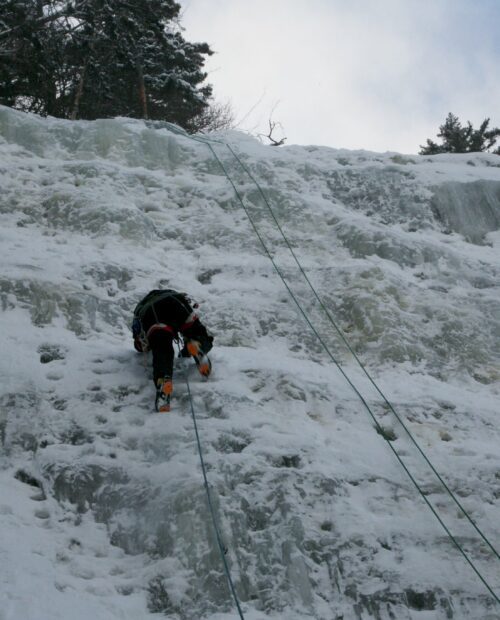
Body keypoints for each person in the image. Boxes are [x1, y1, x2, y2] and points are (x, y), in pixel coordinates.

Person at [132, 289, 214, 412]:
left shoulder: (142, 307)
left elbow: (140, 344)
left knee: (162, 348)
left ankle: (163, 381)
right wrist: (184, 354)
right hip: (177, 302)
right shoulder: (169, 293)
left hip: (152, 312)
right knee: (198, 332)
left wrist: (146, 345)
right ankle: (197, 345)